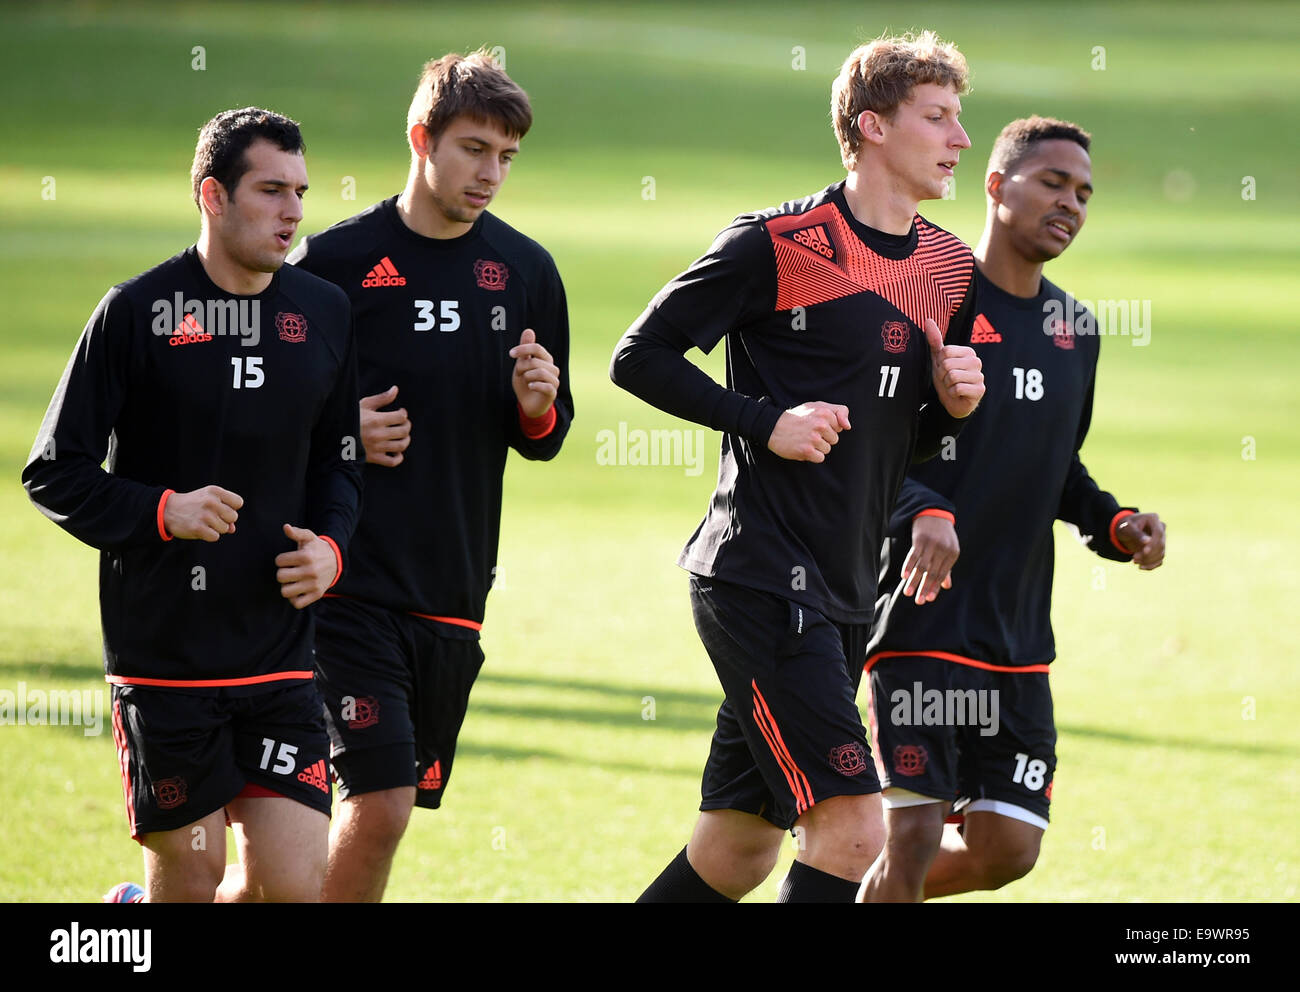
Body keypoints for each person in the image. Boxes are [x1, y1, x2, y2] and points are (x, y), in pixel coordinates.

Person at [611, 31, 984, 903]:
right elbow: (640, 355)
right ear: (873, 127)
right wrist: (761, 420)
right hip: (759, 578)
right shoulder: (776, 243)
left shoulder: (948, 267)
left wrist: (950, 407)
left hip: (852, 586)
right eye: (938, 118)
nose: (960, 139)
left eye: (959, 119)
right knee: (853, 829)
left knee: (735, 850)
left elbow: (904, 441)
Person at [22, 108, 363, 902]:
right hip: (166, 665)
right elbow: (53, 470)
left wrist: (333, 549)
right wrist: (160, 511)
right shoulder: (136, 313)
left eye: (301, 192)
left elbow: (339, 463)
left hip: (279, 656)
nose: (294, 212)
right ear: (213, 195)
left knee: (294, 886)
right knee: (195, 878)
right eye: (271, 190)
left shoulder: (324, 313)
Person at [857, 117, 1167, 903]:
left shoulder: (1077, 331)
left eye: (1085, 193)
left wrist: (1115, 523)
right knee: (917, 831)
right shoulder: (931, 305)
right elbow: (872, 451)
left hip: (1018, 636)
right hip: (922, 619)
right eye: (1053, 183)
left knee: (1006, 850)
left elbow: (1056, 465)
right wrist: (924, 508)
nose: (1072, 204)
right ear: (996, 187)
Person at [287, 50, 572, 902]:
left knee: (323, 848)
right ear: (423, 139)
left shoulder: (527, 272)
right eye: (474, 149)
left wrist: (536, 403)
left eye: (506, 157)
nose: (491, 173)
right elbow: (251, 416)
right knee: (379, 808)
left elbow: (547, 439)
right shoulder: (331, 265)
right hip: (342, 580)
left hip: (452, 588)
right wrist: (342, 435)